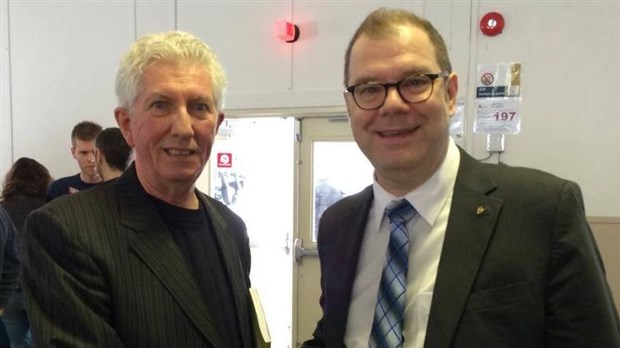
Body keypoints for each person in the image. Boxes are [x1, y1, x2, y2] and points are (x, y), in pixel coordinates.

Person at [302, 8, 620, 348]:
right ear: (350, 105)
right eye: (368, 88)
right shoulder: (338, 224)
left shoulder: (542, 212)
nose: (391, 104)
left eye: (414, 82)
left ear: (450, 94)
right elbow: (335, 336)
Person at [20, 31, 255, 347]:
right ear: (126, 123)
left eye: (199, 107)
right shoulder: (66, 231)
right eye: (161, 104)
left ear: (217, 123)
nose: (184, 128)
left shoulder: (231, 229)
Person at [0, 158, 51, 348]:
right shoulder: (51, 208)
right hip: (42, 289)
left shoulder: (2, 211)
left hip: (10, 292)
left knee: (18, 344)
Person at [45, 120, 103, 201]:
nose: (91, 159)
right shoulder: (58, 189)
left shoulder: (117, 188)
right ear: (73, 153)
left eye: (95, 152)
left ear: (103, 151)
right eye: (84, 153)